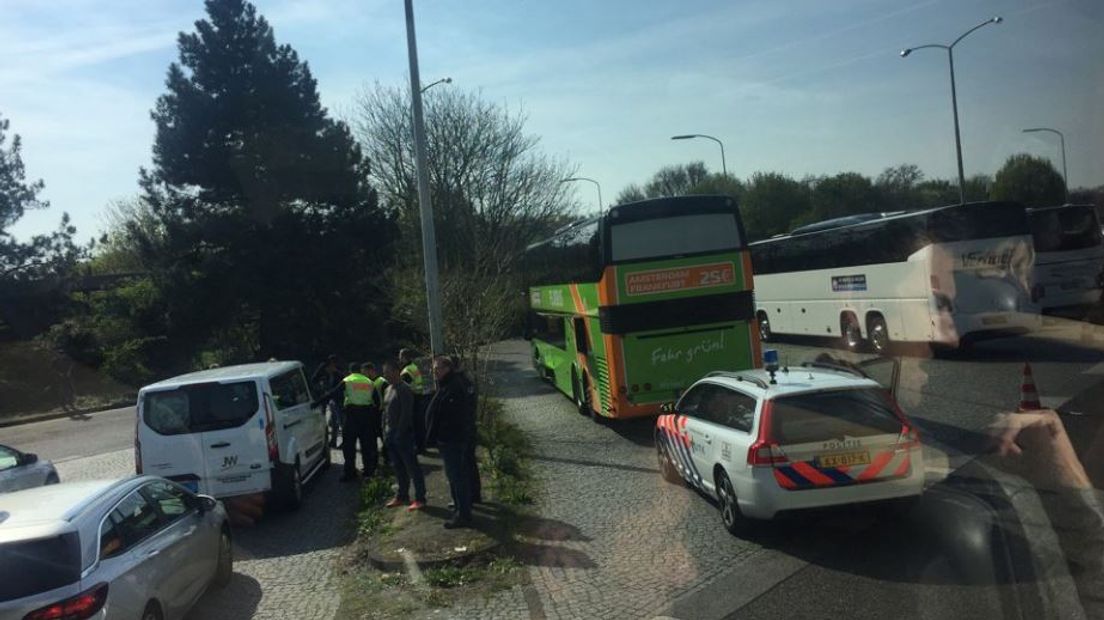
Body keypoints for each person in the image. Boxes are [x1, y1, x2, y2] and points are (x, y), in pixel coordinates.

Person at [426, 355, 477, 528]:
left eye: (438, 369)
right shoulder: (447, 385)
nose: (435, 373)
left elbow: (453, 416)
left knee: (457, 477)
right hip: (447, 440)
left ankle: (463, 513)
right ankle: (460, 508)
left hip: (453, 440)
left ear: (448, 369)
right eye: (434, 369)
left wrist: (442, 432)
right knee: (455, 476)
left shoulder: (454, 387)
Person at [316, 362, 379, 482]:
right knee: (366, 445)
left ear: (350, 371)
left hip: (352, 416)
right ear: (360, 371)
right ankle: (368, 473)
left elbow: (332, 393)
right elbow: (376, 401)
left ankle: (349, 473)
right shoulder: (369, 382)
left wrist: (317, 403)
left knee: (349, 446)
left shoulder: (348, 380)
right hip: (366, 416)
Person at [380, 360, 426, 511]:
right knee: (398, 468)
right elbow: (385, 411)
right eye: (384, 373)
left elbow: (406, 414)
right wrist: (384, 432)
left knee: (412, 467)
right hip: (390, 433)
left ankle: (420, 498)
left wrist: (399, 433)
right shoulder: (388, 389)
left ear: (396, 371)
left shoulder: (404, 389)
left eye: (388, 372)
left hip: (403, 435)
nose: (385, 375)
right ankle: (402, 495)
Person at [311, 354, 345, 448]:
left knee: (338, 421)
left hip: (336, 398)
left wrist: (336, 372)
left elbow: (344, 380)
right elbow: (313, 380)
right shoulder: (322, 369)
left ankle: (338, 440)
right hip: (325, 396)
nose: (331, 368)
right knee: (329, 420)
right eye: (330, 366)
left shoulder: (338, 371)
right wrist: (321, 387)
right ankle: (330, 440)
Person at [399, 348, 429, 453]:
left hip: (412, 398)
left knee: (414, 425)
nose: (399, 358)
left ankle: (418, 447)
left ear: (404, 357)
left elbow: (403, 388)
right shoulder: (413, 367)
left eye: (400, 356)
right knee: (419, 424)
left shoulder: (407, 370)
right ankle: (421, 446)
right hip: (418, 396)